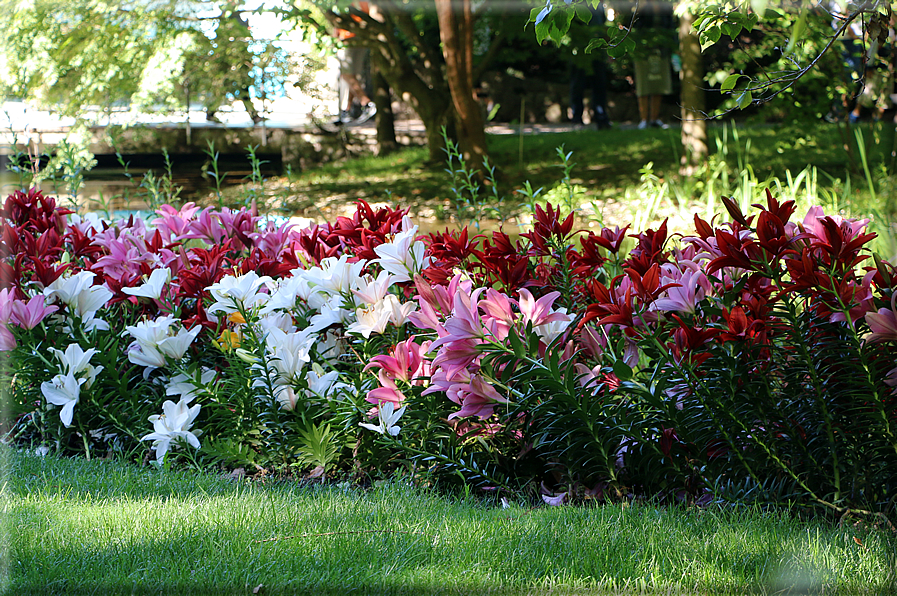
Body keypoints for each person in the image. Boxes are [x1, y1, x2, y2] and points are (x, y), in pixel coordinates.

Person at [629, 1, 676, 129]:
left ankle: (654, 119)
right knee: (644, 85)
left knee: (658, 85)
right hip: (643, 52)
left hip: (662, 51)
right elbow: (634, 27)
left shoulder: (665, 8)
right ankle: (644, 119)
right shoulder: (641, 8)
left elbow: (671, 28)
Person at [568, 3, 612, 130]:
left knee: (600, 85)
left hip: (597, 52)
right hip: (580, 51)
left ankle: (601, 118)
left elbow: (602, 27)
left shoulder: (598, 6)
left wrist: (608, 50)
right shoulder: (575, 4)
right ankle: (577, 119)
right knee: (577, 85)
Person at [334, 2, 376, 125]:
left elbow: (338, 19)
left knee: (346, 75)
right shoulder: (364, 3)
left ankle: (366, 103)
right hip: (362, 39)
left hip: (349, 39)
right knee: (352, 76)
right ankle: (346, 110)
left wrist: (336, 33)